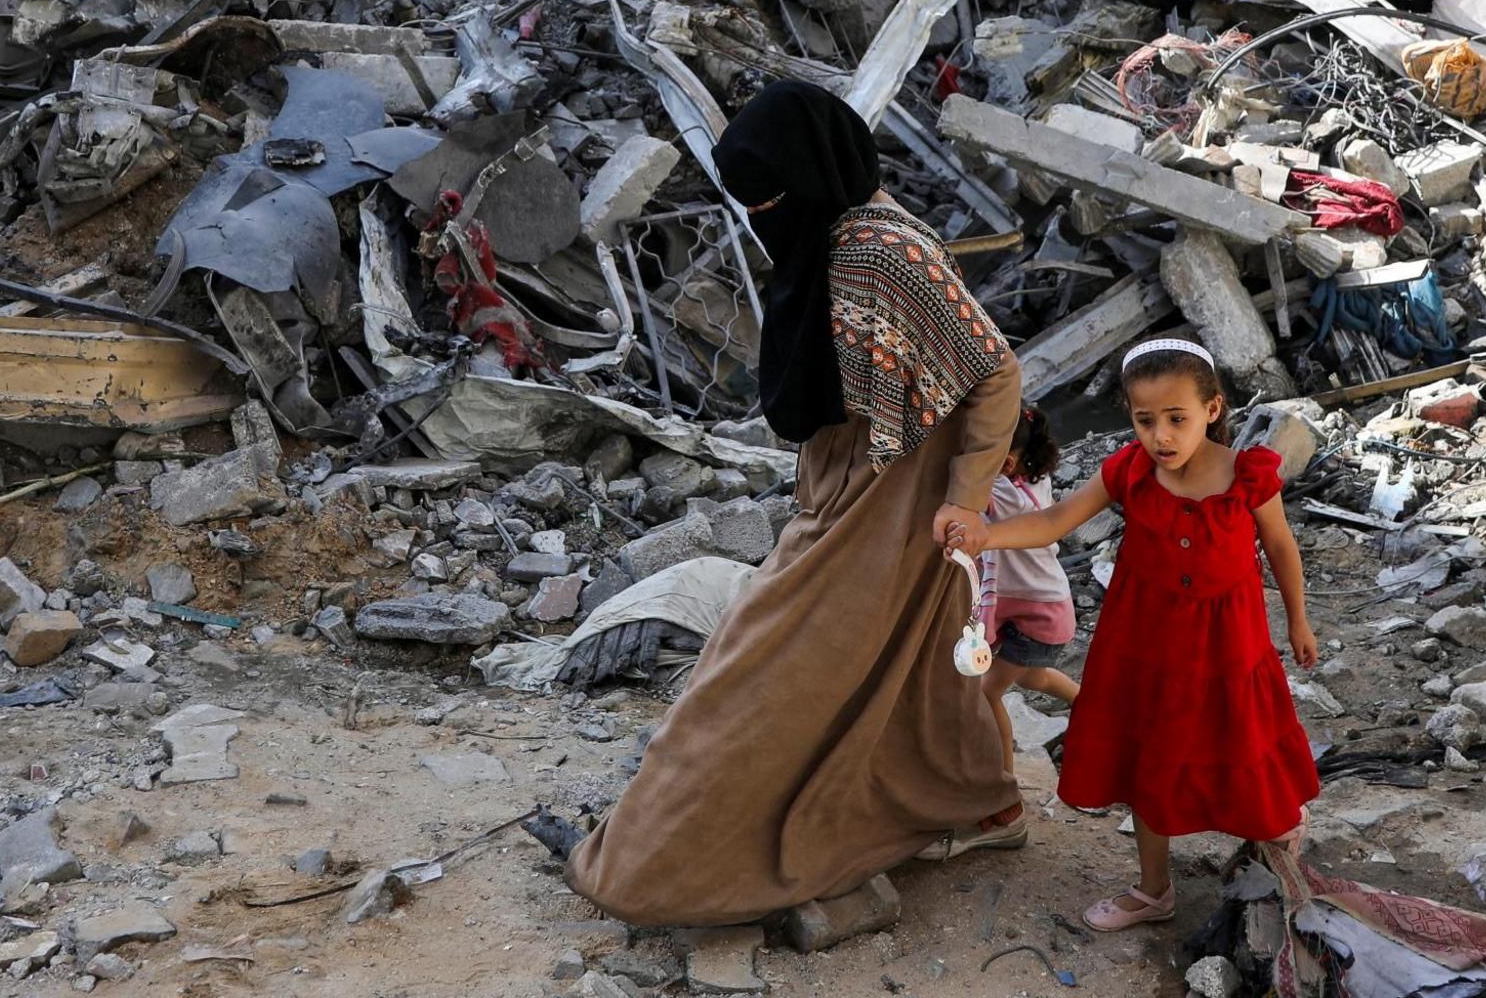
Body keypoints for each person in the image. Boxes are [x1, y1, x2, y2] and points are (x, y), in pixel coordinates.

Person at [560, 80, 1026, 925]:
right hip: (850, 484)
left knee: (757, 670)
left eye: (774, 196)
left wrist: (965, 502)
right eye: (752, 203)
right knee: (908, 661)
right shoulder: (834, 235)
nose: (765, 215)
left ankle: (644, 870)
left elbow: (992, 370)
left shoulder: (881, 248)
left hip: (893, 497)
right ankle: (984, 804)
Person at [950, 338, 1321, 932]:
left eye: (1177, 419)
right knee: (1150, 756)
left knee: (1241, 737)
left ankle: (1271, 829)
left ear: (1213, 409)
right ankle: (1153, 890)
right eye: (1146, 420)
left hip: (1229, 645)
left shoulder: (1246, 476)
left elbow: (1280, 546)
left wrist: (1298, 619)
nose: (1162, 436)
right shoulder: (1128, 471)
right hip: (1144, 646)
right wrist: (984, 536)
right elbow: (1053, 520)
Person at [935, 406, 1079, 814]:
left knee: (988, 691)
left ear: (1008, 461)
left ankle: (1004, 786)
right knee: (1033, 677)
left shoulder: (1003, 493)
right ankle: (1089, 706)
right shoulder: (1034, 479)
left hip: (1039, 615)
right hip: (1047, 604)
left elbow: (956, 479)